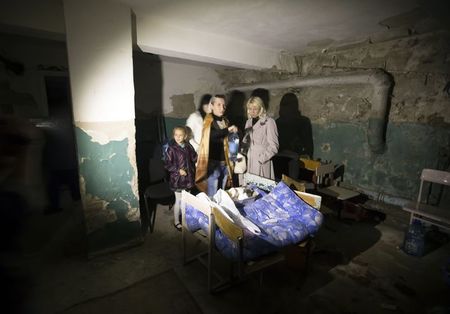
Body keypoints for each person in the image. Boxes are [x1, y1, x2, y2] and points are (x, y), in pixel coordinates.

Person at [195, 94, 238, 197]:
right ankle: (212, 213)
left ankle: (220, 212)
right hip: (213, 164)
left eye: (224, 105)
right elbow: (211, 136)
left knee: (222, 192)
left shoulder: (226, 121)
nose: (222, 108)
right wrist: (227, 130)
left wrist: (236, 133)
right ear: (212, 105)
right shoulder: (208, 120)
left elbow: (231, 140)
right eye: (218, 105)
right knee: (212, 194)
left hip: (225, 162)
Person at [164, 126, 197, 230]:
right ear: (173, 136)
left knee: (187, 200)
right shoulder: (171, 149)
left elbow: (193, 158)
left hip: (189, 178)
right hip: (177, 179)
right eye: (176, 135)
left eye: (180, 135)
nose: (178, 137)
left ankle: (186, 218)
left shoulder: (188, 146)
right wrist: (178, 170)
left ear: (185, 136)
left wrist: (199, 155)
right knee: (178, 200)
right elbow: (167, 164)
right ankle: (176, 221)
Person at [242, 96, 279, 180]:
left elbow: (274, 146)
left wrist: (262, 158)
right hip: (249, 161)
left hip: (261, 161)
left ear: (260, 108)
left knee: (261, 190)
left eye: (255, 108)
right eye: (250, 108)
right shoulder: (248, 122)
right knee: (249, 189)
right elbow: (246, 141)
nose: (252, 111)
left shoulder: (269, 122)